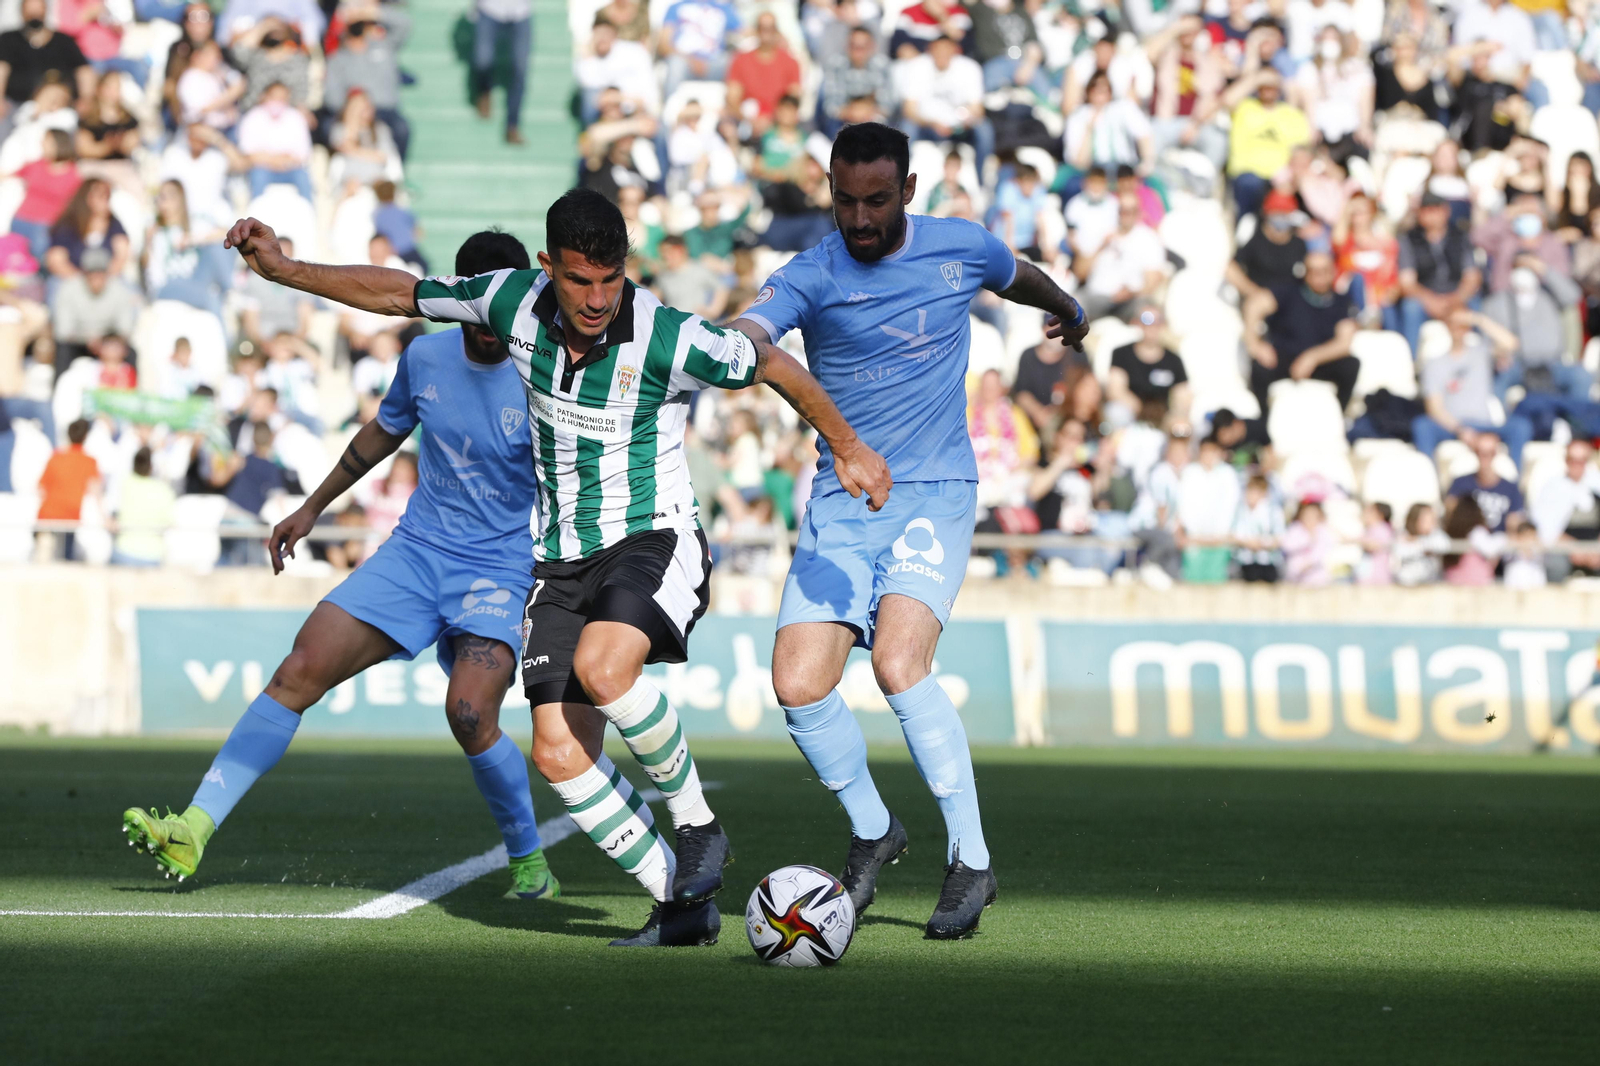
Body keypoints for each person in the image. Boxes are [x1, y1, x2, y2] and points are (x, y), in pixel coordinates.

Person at [223, 189, 889, 947]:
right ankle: (680, 903)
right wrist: (284, 270)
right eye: (580, 281)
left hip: (654, 539)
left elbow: (771, 361)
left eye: (611, 279)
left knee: (607, 671)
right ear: (548, 269)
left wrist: (847, 446)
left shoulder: (668, 336)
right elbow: (396, 291)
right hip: (561, 558)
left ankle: (699, 825)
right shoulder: (509, 300)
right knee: (557, 751)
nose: (598, 298)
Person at [121, 231, 563, 901]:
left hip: (498, 568)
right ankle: (193, 827)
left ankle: (529, 859)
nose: (490, 324)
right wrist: (311, 509)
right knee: (300, 667)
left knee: (470, 714)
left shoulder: (549, 375)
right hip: (416, 554)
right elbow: (383, 433)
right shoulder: (427, 356)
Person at [730, 121, 1091, 939]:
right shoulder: (809, 272)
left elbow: (1016, 274)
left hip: (933, 492)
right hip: (842, 496)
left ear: (910, 193)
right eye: (844, 200)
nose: (858, 219)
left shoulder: (960, 247)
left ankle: (971, 860)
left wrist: (1068, 307)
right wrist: (737, 344)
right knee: (796, 684)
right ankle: (873, 830)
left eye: (877, 201)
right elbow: (756, 331)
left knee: (898, 664)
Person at [1244, 247, 1360, 411]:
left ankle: (1340, 417)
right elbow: (1254, 304)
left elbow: (1344, 343)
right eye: (1314, 271)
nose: (1319, 276)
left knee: (1351, 365)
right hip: (1283, 358)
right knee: (1260, 367)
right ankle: (1263, 418)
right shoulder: (1289, 291)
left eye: (1324, 271)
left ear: (1332, 272)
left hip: (1320, 362)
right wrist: (1255, 344)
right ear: (1305, 272)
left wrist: (1312, 357)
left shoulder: (1342, 301)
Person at [1410, 309, 1532, 463]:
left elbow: (1511, 343)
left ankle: (1512, 483)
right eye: (1454, 324)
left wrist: (1478, 319)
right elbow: (1434, 408)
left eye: (1462, 325)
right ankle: (1429, 481)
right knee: (1422, 426)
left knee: (1520, 427)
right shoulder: (1434, 363)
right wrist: (1460, 430)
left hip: (1484, 424)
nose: (1458, 329)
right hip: (1452, 426)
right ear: (1447, 326)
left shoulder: (1481, 353)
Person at [1396, 191, 1482, 355]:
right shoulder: (1408, 239)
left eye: (1435, 210)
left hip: (1456, 295)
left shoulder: (1461, 235)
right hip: (1426, 298)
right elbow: (1407, 282)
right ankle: (1411, 361)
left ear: (1446, 211)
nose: (1431, 215)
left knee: (1476, 304)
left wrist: (1456, 299)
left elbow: (1472, 277)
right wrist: (1430, 301)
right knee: (1411, 307)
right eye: (1426, 210)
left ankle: (1483, 358)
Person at [0, 0, 92, 116]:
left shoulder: (64, 41)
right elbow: (2, 69)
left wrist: (86, 98)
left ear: (46, 10)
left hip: (59, 108)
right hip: (16, 106)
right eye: (30, 10)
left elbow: (83, 70)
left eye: (38, 9)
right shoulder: (9, 40)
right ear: (22, 12)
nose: (34, 14)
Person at [1107, 304, 1190, 425]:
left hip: (1163, 419)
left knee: (1182, 425)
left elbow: (1182, 395)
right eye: (1146, 320)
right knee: (1116, 412)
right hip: (1132, 416)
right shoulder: (1122, 354)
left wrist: (1173, 416)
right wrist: (1144, 412)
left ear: (1164, 324)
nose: (1152, 326)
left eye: (1158, 320)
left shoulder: (1174, 359)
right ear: (1136, 323)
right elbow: (1115, 390)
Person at [1532, 440, 1600, 581]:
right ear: (1566, 461)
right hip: (1564, 550)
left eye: (1581, 461)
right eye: (1573, 460)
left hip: (1595, 549)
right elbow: (1546, 530)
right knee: (1555, 565)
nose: (1577, 465)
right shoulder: (1552, 488)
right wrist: (1575, 549)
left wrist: (1594, 550)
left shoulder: (1596, 483)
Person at [37, 416, 99, 560]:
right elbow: (95, 490)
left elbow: (41, 488)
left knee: (43, 564)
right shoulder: (89, 462)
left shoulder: (56, 458)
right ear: (85, 436)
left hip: (47, 518)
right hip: (70, 520)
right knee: (66, 564)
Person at [471, 0, 531, 145]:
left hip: (521, 11)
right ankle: (484, 91)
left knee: (520, 69)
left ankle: (512, 125)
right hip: (489, 8)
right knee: (482, 59)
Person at [1445, 431, 1524, 533]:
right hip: (1466, 543)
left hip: (1499, 544)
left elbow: (1515, 524)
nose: (1484, 457)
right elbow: (1450, 516)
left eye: (1489, 453)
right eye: (1479, 452)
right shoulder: (1460, 484)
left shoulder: (1511, 489)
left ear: (1495, 454)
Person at [111, 447, 176, 566]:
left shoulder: (123, 483)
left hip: (123, 551)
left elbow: (112, 517)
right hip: (152, 555)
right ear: (151, 467)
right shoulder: (164, 490)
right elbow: (171, 523)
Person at [1232, 473, 1283, 581]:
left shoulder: (1273, 512)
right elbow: (1235, 535)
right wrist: (1249, 543)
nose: (1251, 495)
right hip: (1245, 561)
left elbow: (1279, 537)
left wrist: (1263, 543)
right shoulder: (1241, 511)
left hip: (1268, 561)